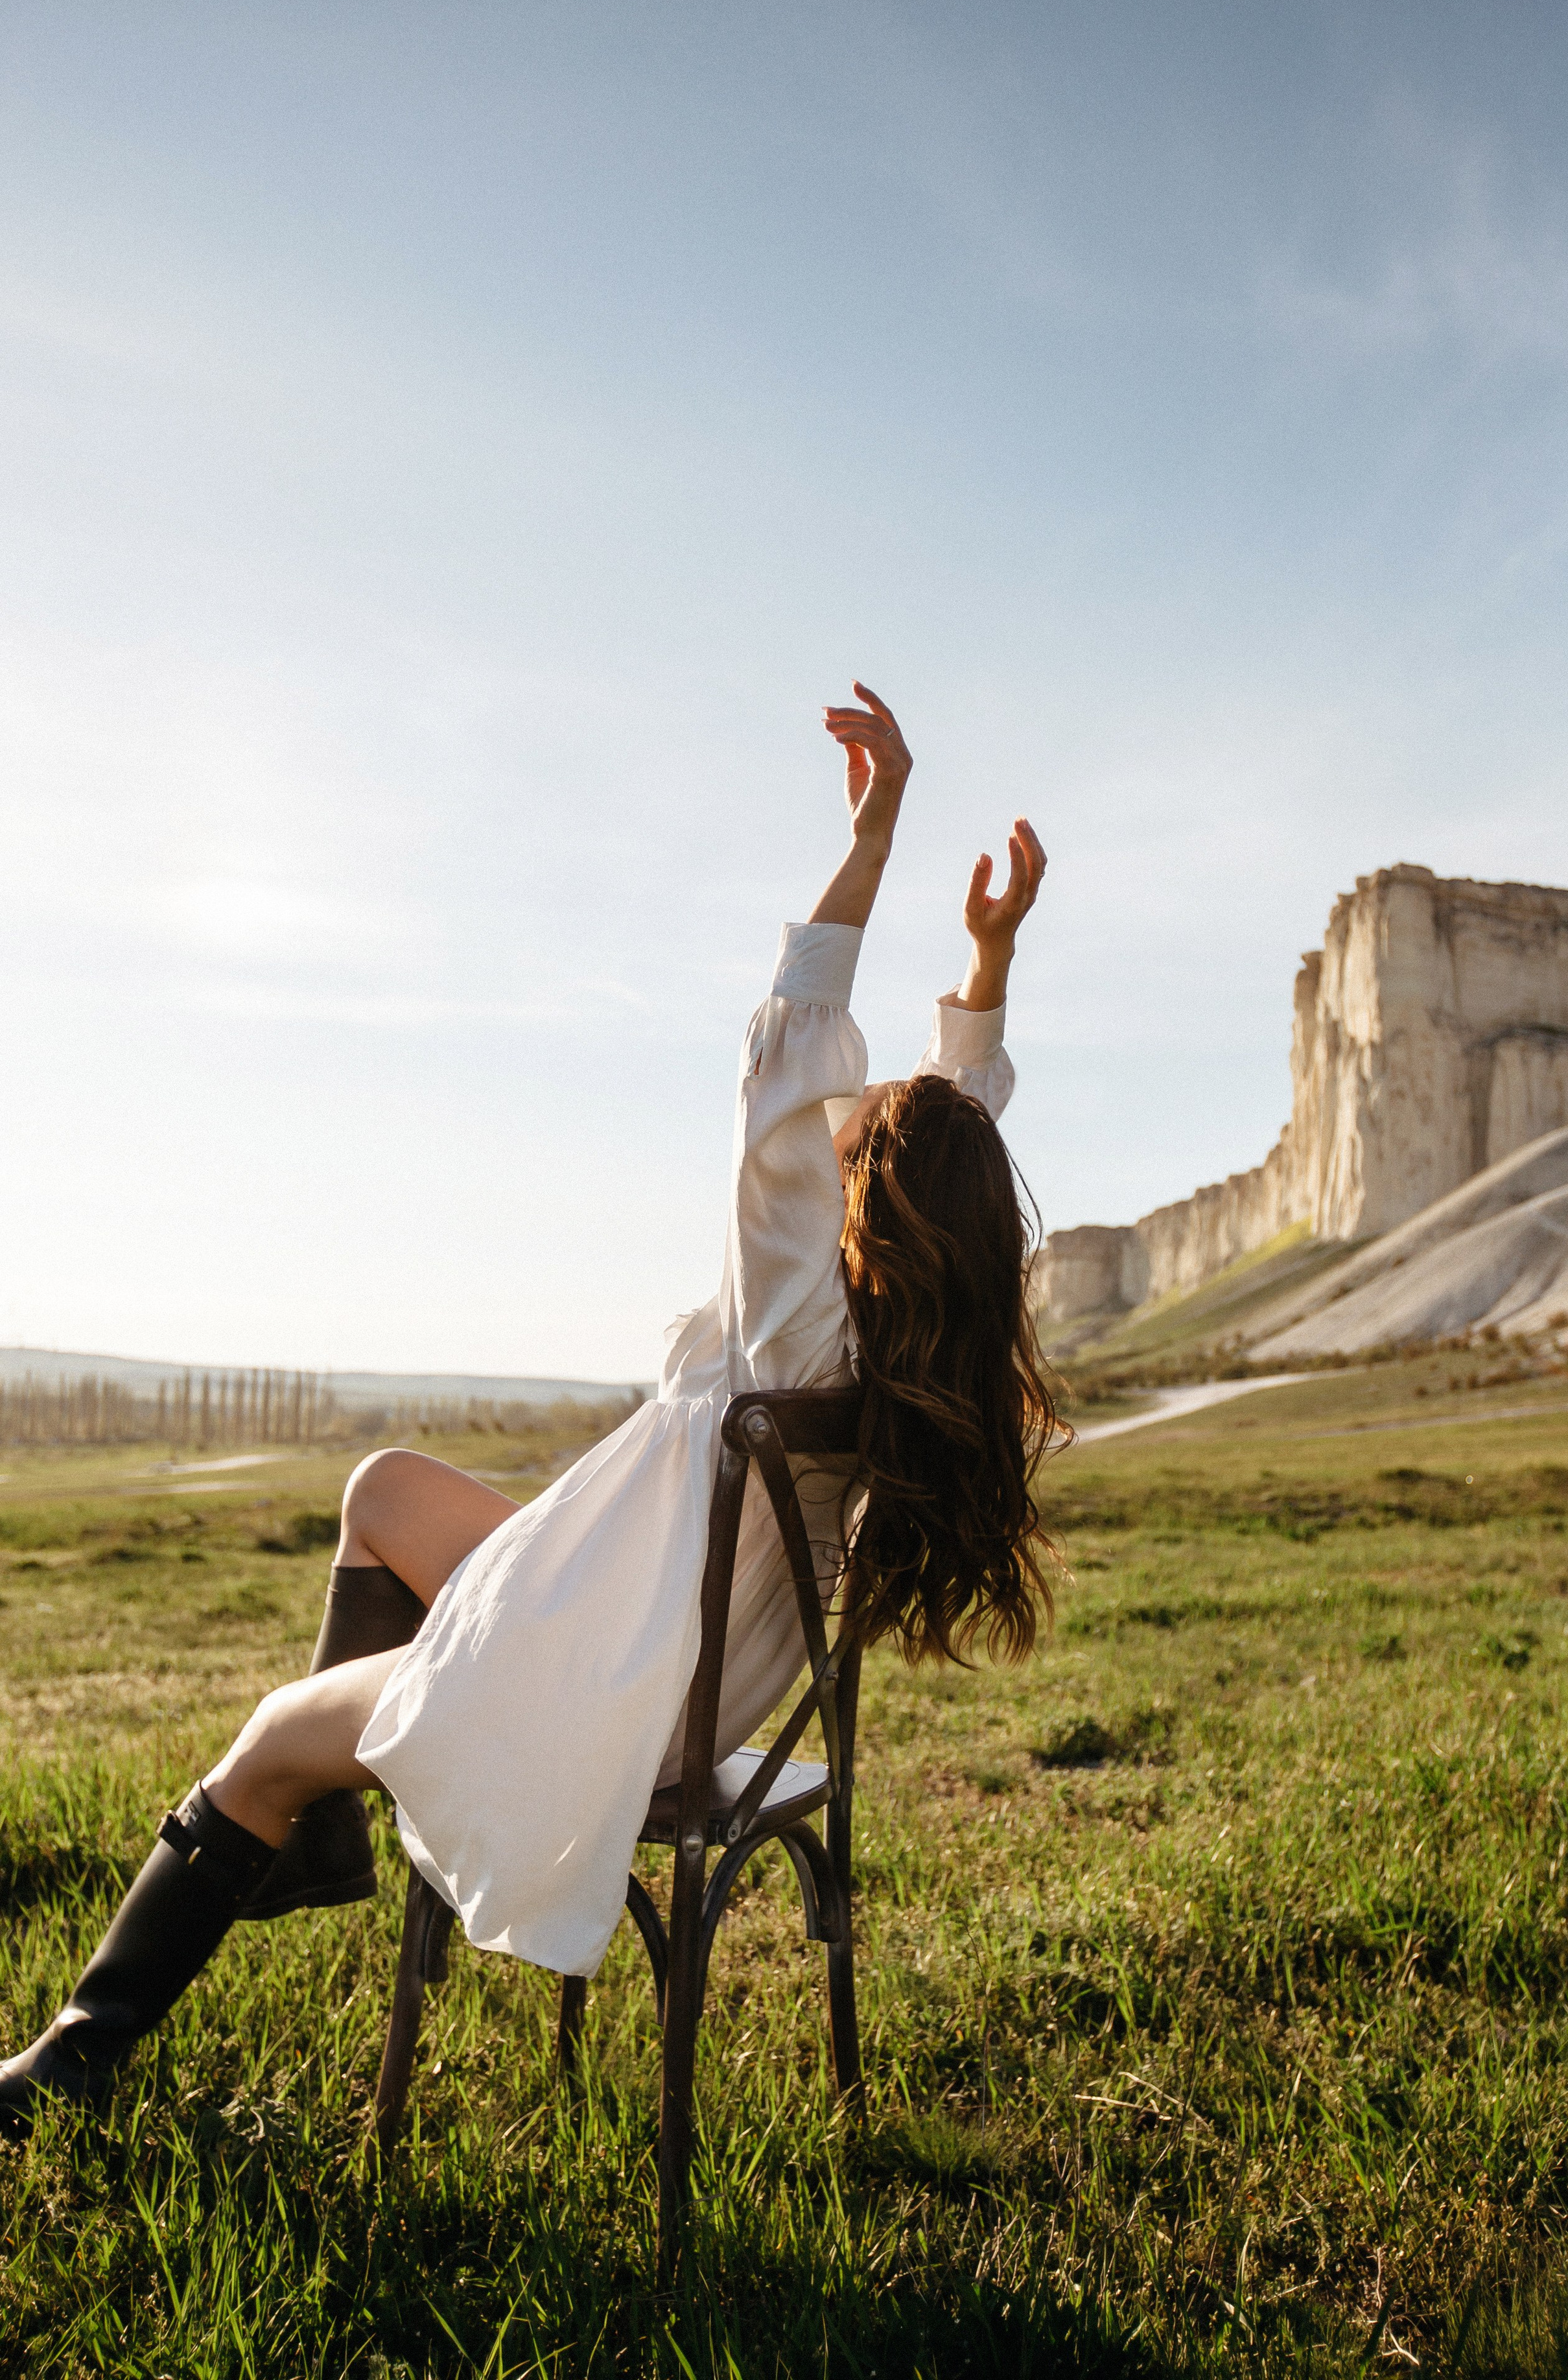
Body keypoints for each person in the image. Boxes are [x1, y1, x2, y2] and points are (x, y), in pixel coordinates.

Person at [0, 683, 1059, 2131]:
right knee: (383, 1487)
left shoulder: (795, 1314)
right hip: (663, 1650)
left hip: (602, 1682)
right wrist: (983, 969)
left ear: (859, 1207)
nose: (837, 1116)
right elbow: (960, 1133)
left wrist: (870, 848)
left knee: (260, 1738)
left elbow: (787, 1045)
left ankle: (69, 2063)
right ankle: (322, 1838)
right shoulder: (894, 1340)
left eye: (855, 1127)